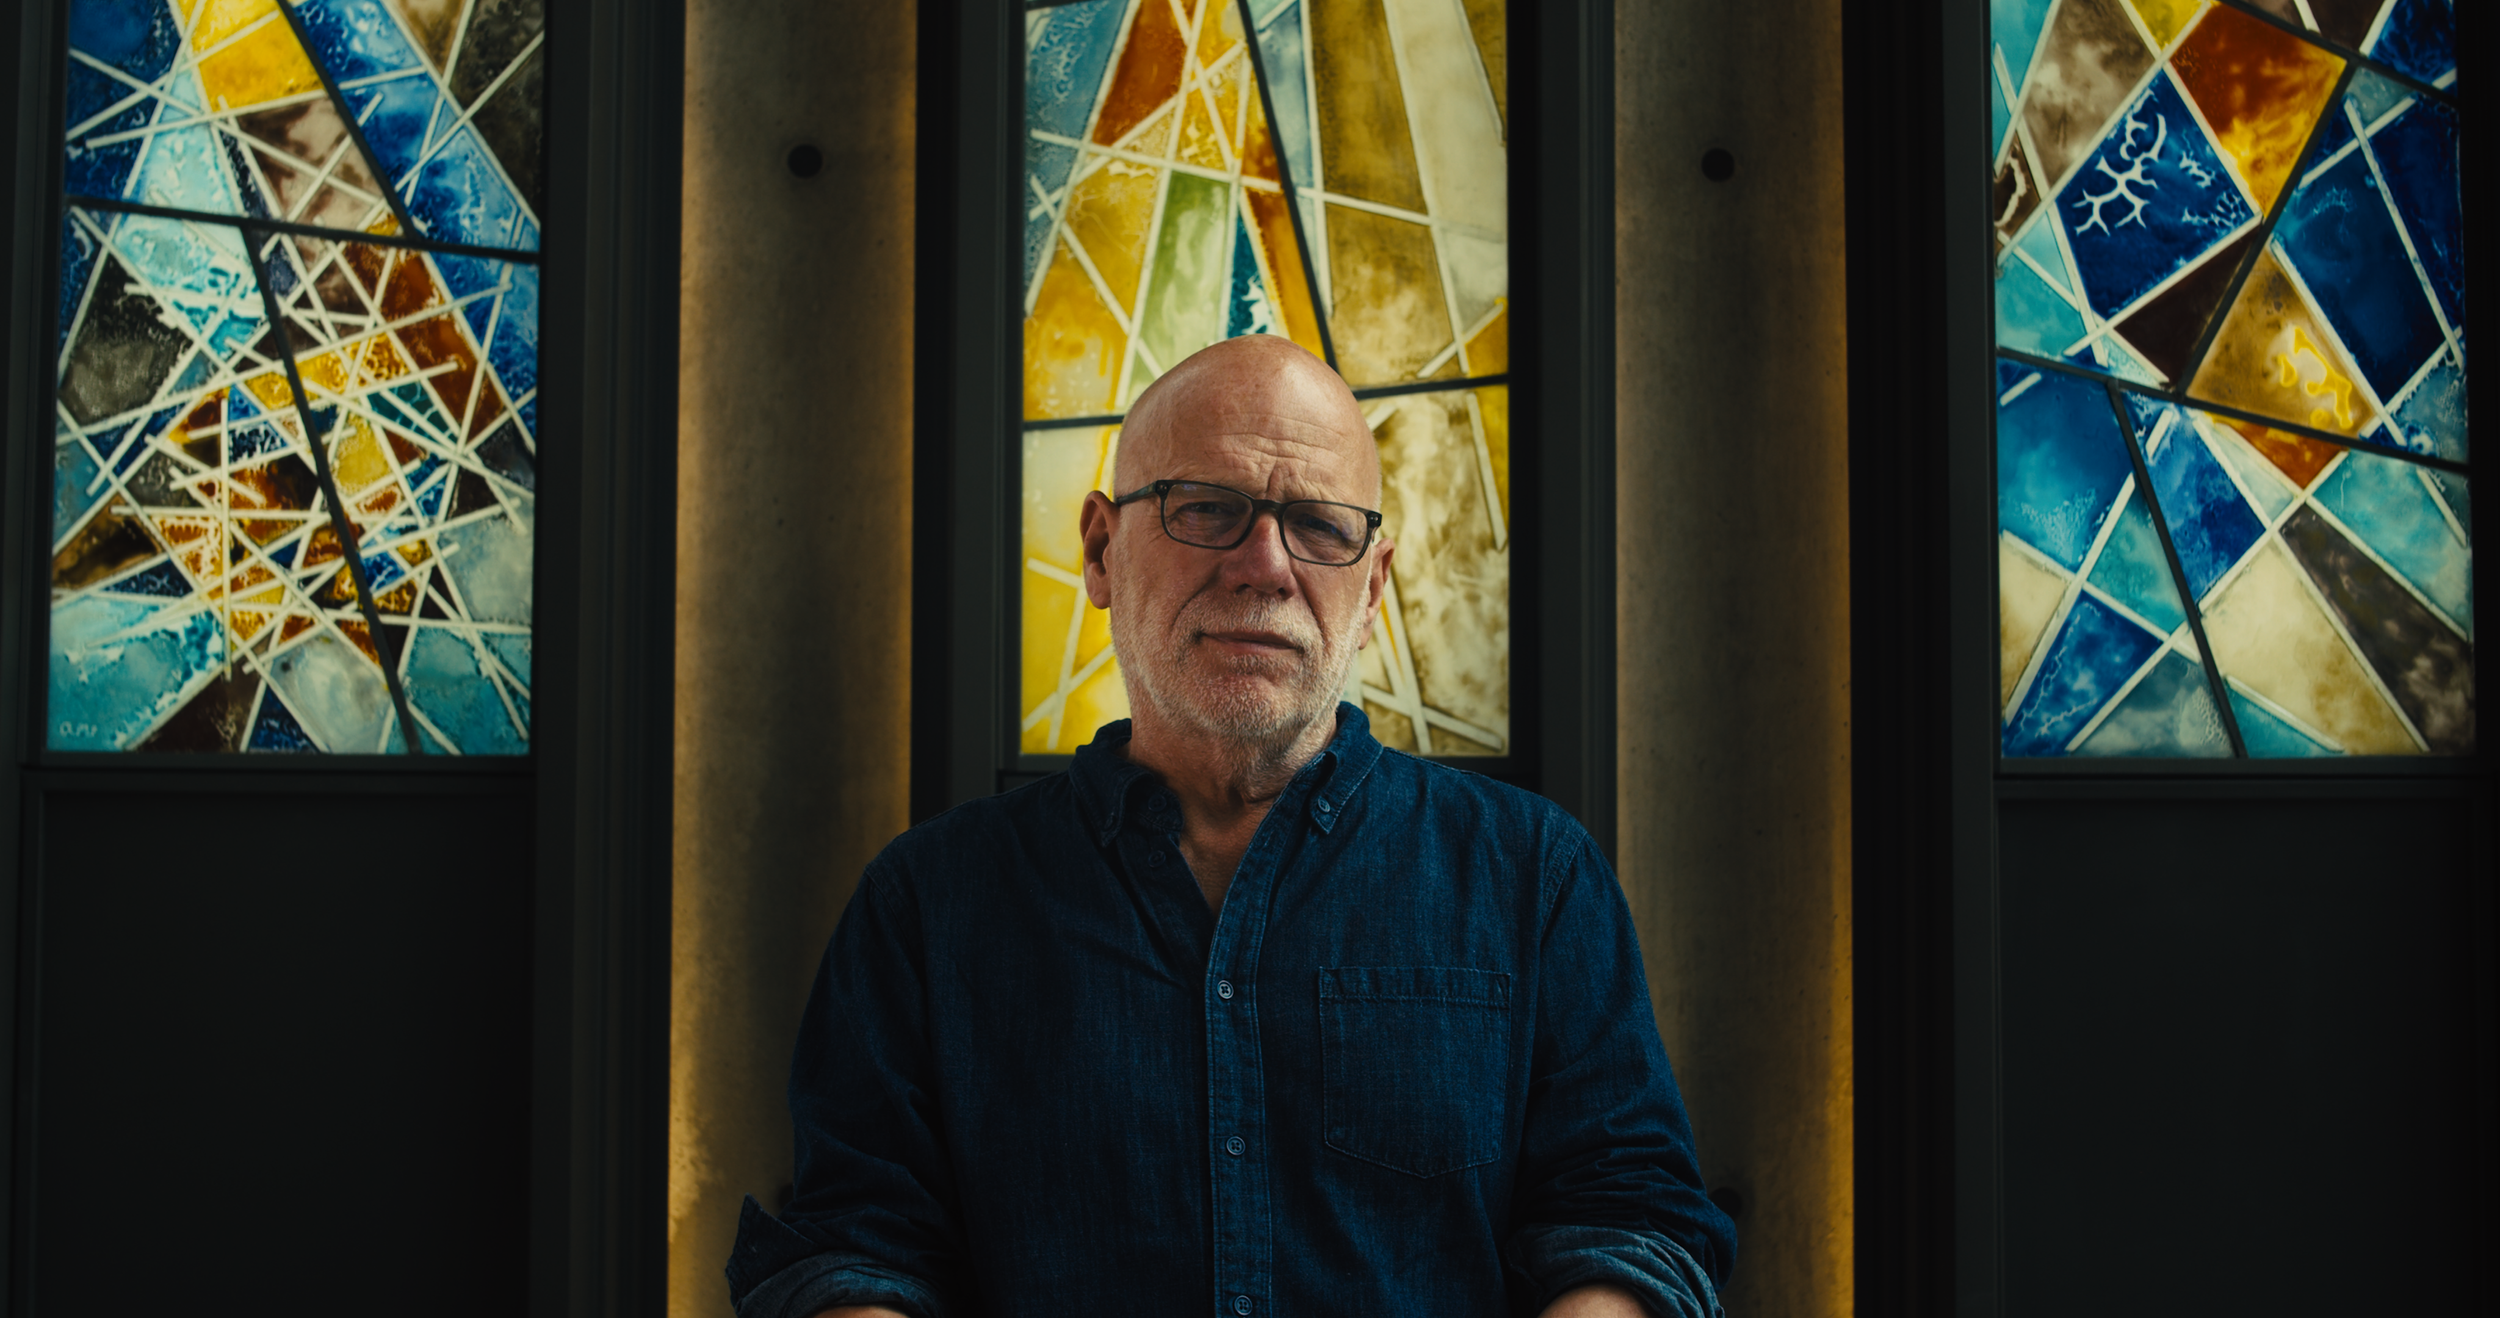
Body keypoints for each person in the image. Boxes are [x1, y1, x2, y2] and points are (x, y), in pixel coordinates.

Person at [725, 336, 1735, 1317]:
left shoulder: (1534, 878)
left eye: (1320, 526)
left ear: (1372, 583)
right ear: (1099, 550)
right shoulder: (926, 904)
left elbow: (1629, 1220)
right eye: (1206, 508)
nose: (1264, 565)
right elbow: (857, 1244)